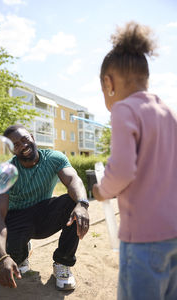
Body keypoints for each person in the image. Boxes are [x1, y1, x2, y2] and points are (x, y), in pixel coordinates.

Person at [92, 21, 177, 300]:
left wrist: (102, 190)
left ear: (108, 83)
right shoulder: (168, 113)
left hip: (143, 239)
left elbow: (123, 169)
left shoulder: (123, 110)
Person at [0, 124, 89, 291]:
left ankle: (63, 263)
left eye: (24, 139)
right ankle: (21, 252)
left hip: (44, 215)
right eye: (16, 145)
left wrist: (82, 204)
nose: (23, 145)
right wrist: (1, 257)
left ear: (33, 138)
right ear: (12, 151)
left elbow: (73, 180)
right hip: (17, 219)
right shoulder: (5, 172)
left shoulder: (53, 157)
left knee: (74, 203)